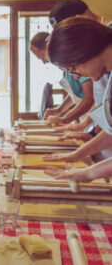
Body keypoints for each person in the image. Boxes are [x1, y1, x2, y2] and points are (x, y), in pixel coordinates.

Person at [43, 17, 112, 165]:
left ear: (84, 51)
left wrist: (88, 172)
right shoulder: (104, 75)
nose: (77, 76)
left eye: (73, 68)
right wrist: (78, 153)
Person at [30, 32, 94, 125]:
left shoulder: (77, 62)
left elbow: (89, 97)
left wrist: (65, 119)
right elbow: (76, 95)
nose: (44, 62)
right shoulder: (65, 68)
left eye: (42, 57)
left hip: (93, 115)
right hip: (87, 118)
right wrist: (58, 110)